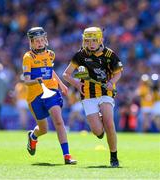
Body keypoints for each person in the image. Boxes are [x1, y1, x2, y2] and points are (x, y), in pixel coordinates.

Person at [63, 27, 123, 167]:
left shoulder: (110, 55)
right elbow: (66, 74)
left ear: (100, 40)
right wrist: (77, 84)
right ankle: (99, 128)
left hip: (105, 93)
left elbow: (118, 73)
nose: (90, 44)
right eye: (87, 40)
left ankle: (113, 157)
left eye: (94, 40)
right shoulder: (80, 55)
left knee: (109, 122)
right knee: (97, 131)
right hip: (88, 95)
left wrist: (111, 82)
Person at [22, 27, 76, 165]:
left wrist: (61, 84)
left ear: (45, 40)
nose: (39, 43)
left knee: (58, 120)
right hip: (35, 97)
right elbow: (26, 81)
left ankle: (67, 155)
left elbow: (50, 71)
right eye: (36, 41)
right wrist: (37, 80)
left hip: (51, 91)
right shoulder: (28, 57)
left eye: (41, 40)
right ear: (31, 43)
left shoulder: (50, 54)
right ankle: (33, 136)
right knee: (43, 129)